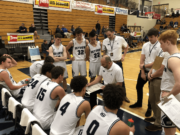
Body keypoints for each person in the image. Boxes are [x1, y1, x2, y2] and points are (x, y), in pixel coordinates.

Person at [129, 28, 162, 117]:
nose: (149, 39)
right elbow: (142, 58)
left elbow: (157, 63)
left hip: (153, 72)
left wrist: (144, 67)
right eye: (148, 37)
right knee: (138, 86)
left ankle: (149, 108)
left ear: (156, 36)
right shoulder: (145, 45)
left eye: (151, 37)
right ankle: (139, 103)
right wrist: (142, 71)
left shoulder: (160, 46)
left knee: (151, 92)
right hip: (144, 70)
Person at [158, 30, 180, 135]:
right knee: (172, 128)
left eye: (161, 43)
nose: (160, 46)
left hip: (171, 98)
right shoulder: (177, 56)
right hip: (174, 97)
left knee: (169, 131)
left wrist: (168, 96)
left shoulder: (173, 59)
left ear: (168, 42)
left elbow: (179, 83)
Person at [102, 28, 130, 103]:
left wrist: (123, 56)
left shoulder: (120, 39)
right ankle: (108, 94)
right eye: (107, 35)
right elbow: (104, 52)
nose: (108, 36)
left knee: (120, 80)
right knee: (108, 79)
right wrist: (103, 60)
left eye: (109, 35)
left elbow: (126, 46)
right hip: (109, 63)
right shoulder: (105, 41)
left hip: (118, 62)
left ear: (113, 32)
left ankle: (123, 96)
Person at [144, 50, 170, 131]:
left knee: (158, 101)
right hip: (153, 78)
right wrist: (149, 73)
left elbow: (161, 71)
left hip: (159, 79)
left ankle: (158, 123)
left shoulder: (167, 54)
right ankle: (155, 116)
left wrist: (151, 75)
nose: (160, 45)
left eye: (161, 43)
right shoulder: (162, 52)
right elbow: (156, 65)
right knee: (152, 99)